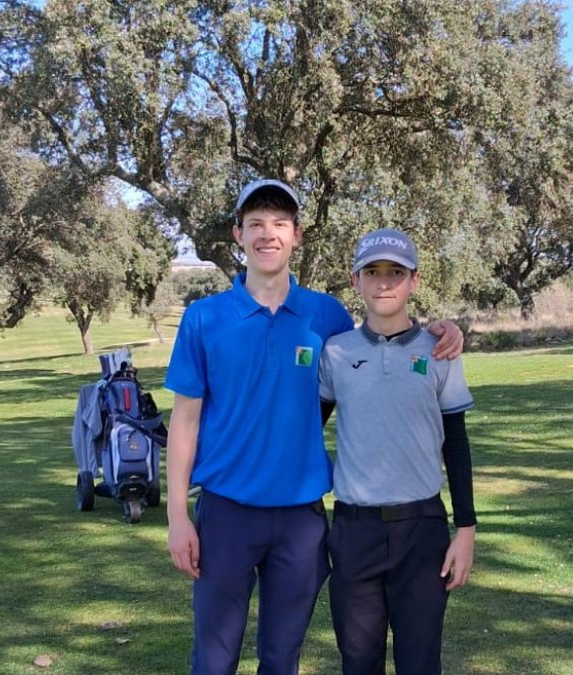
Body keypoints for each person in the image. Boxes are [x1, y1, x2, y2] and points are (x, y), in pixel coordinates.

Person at [164, 179, 463, 675]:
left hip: (302, 521)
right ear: (238, 234)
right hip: (225, 514)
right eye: (255, 224)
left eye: (280, 224)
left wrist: (441, 330)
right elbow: (184, 422)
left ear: (297, 235)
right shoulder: (204, 318)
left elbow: (382, 336)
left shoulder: (325, 314)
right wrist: (177, 515)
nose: (268, 234)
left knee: (282, 660)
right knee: (214, 660)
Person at [318, 228, 476, 675]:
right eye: (373, 272)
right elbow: (307, 431)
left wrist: (465, 528)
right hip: (354, 530)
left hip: (422, 532)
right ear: (355, 281)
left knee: (420, 662)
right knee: (359, 662)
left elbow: (457, 444)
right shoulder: (335, 353)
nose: (384, 282)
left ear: (414, 281)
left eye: (395, 272)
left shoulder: (440, 351)